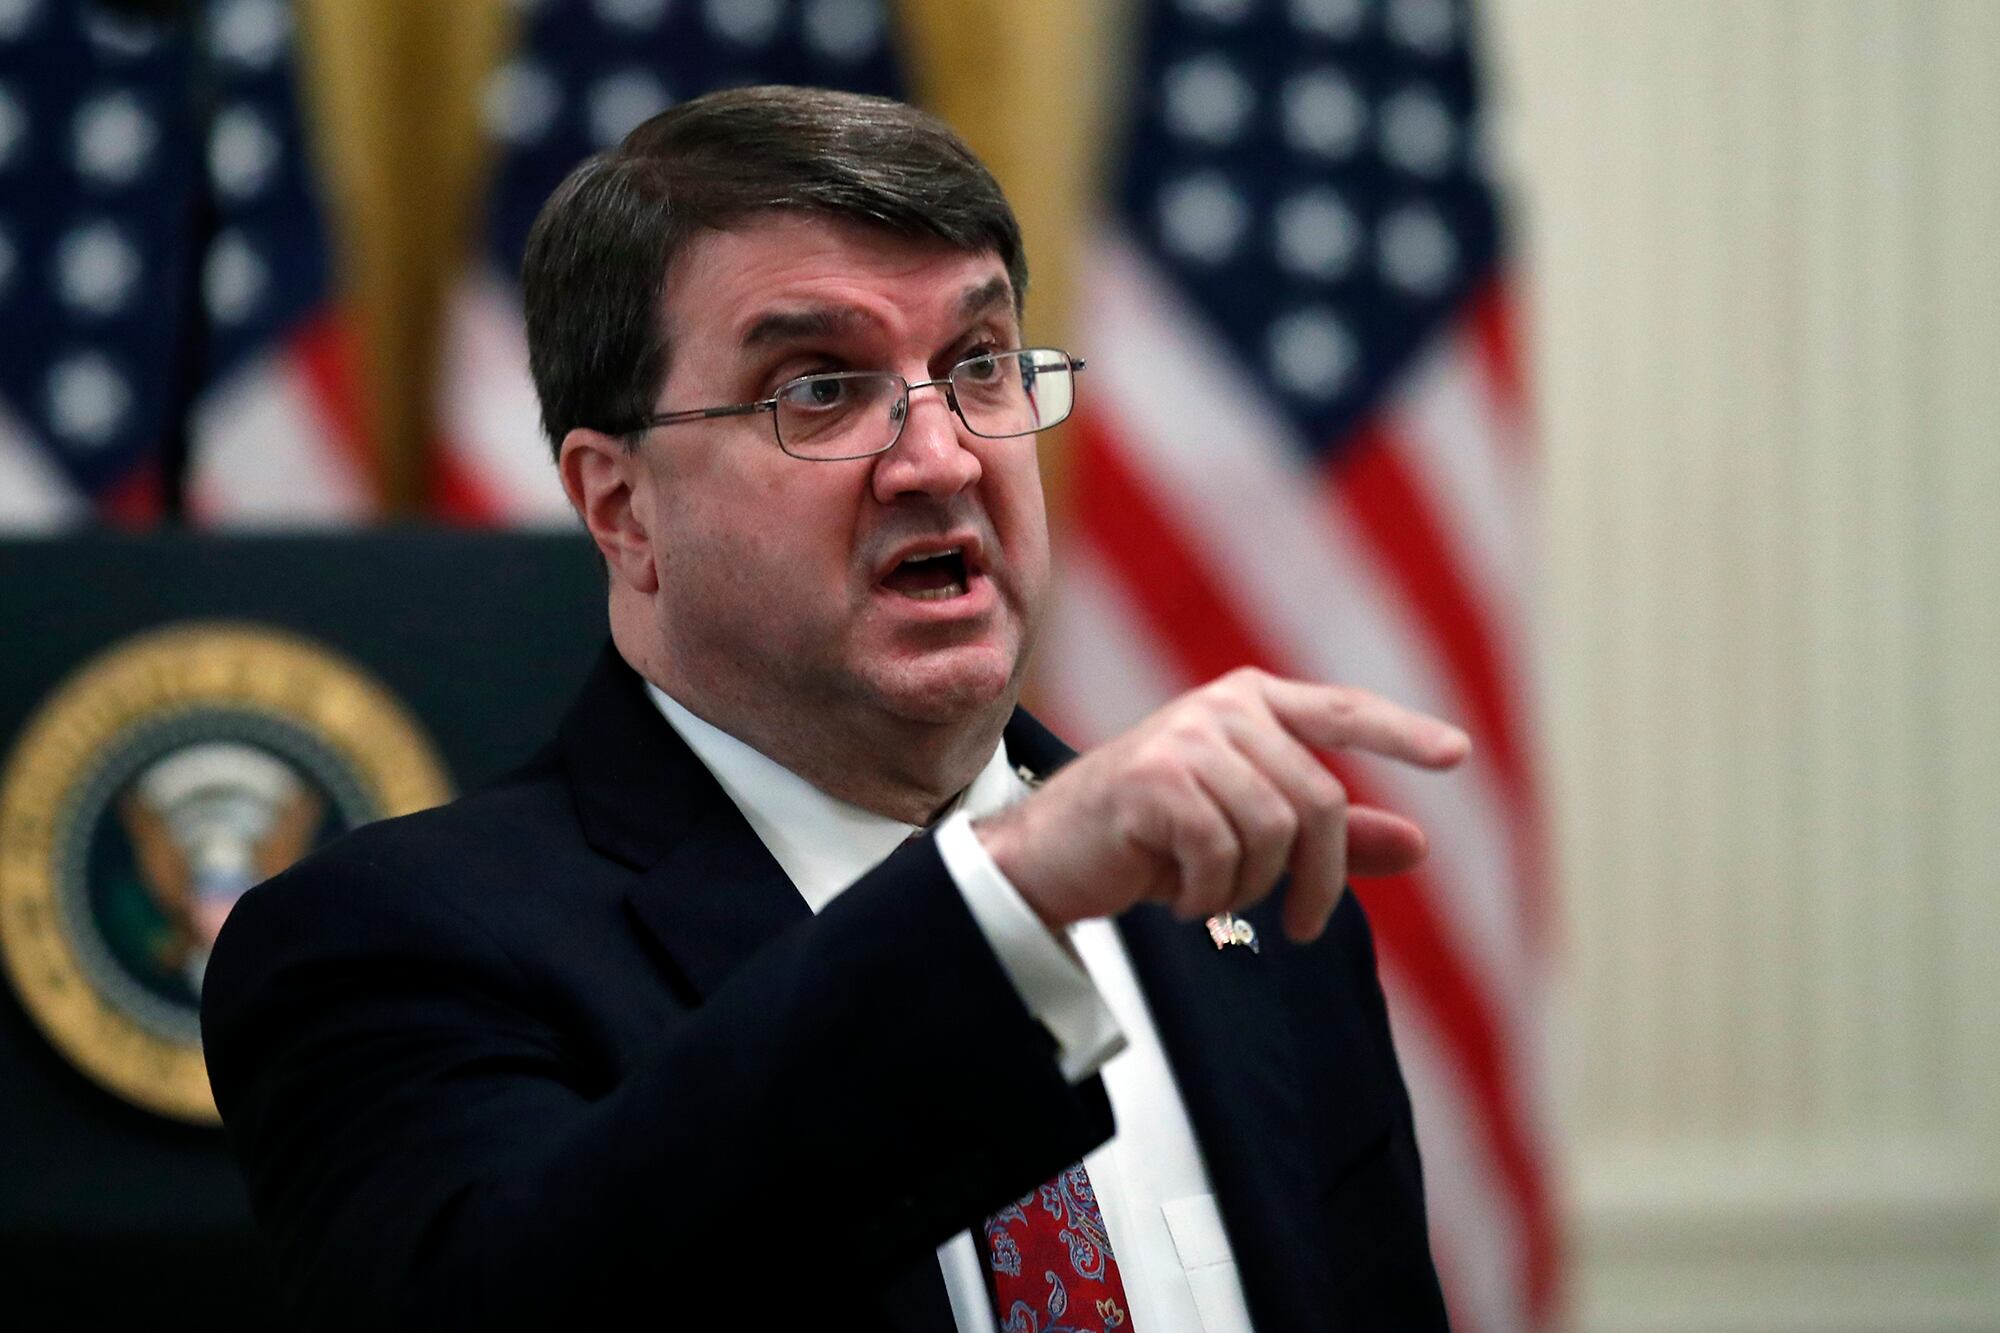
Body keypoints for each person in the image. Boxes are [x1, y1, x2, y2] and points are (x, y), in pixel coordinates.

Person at [202, 86, 1464, 1332]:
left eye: (978, 366)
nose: (941, 458)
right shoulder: (388, 948)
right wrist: (997, 905)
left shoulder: (1238, 909)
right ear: (620, 507)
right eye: (817, 389)